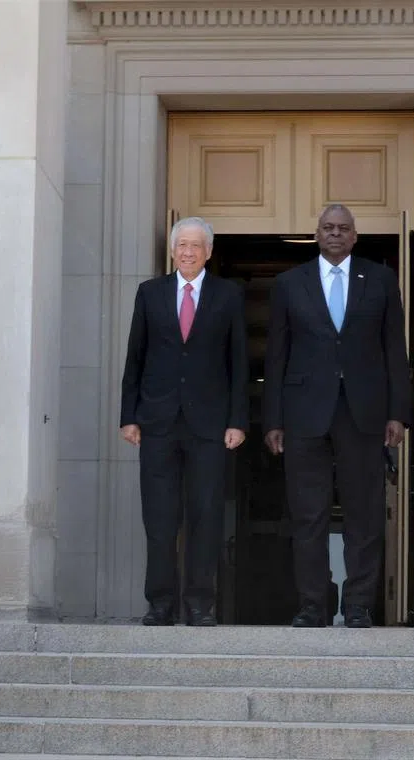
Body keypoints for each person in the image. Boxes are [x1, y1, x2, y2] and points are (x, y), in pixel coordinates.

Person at [263, 204, 411, 628]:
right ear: (316, 234)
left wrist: (398, 413)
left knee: (364, 515)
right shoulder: (290, 284)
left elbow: (393, 352)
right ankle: (314, 604)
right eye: (327, 228)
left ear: (355, 236)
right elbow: (277, 356)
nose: (335, 234)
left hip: (363, 413)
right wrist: (273, 419)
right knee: (308, 515)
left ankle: (359, 604)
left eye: (343, 229)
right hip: (303, 414)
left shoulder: (381, 279)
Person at [120, 216, 248, 626]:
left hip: (209, 426)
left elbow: (239, 363)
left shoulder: (229, 295)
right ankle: (160, 603)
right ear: (172, 250)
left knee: (206, 516)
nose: (188, 251)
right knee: (158, 518)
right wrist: (129, 416)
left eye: (196, 245)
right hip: (157, 422)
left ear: (209, 251)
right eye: (181, 245)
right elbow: (135, 357)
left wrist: (237, 420)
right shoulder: (150, 293)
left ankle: (200, 604)